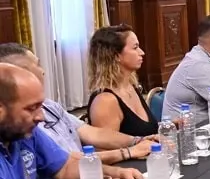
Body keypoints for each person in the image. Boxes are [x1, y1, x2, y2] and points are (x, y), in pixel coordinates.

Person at [0, 64, 142, 179]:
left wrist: (117, 173)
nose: (41, 117)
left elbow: (65, 167)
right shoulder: (20, 128)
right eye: (31, 108)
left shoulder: (23, 131)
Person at [0, 44, 153, 165]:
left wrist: (137, 140)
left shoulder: (50, 106)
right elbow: (65, 163)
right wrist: (128, 152)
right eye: (38, 65)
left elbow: (92, 133)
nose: (43, 71)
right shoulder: (19, 125)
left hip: (81, 176)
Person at [86, 25, 159, 138]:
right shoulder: (105, 101)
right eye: (135, 48)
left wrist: (171, 125)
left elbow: (144, 131)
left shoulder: (131, 86)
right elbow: (105, 147)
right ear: (116, 55)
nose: (142, 52)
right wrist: (141, 144)